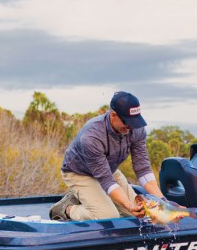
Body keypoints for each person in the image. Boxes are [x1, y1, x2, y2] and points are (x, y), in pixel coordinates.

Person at [49, 91, 162, 221]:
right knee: (108, 216)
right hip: (79, 173)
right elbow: (107, 182)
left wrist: (164, 201)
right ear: (113, 115)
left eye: (134, 122)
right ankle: (67, 208)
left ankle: (90, 198)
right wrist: (129, 205)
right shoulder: (92, 137)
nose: (131, 127)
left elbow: (143, 169)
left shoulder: (136, 129)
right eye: (127, 122)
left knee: (141, 212)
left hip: (108, 169)